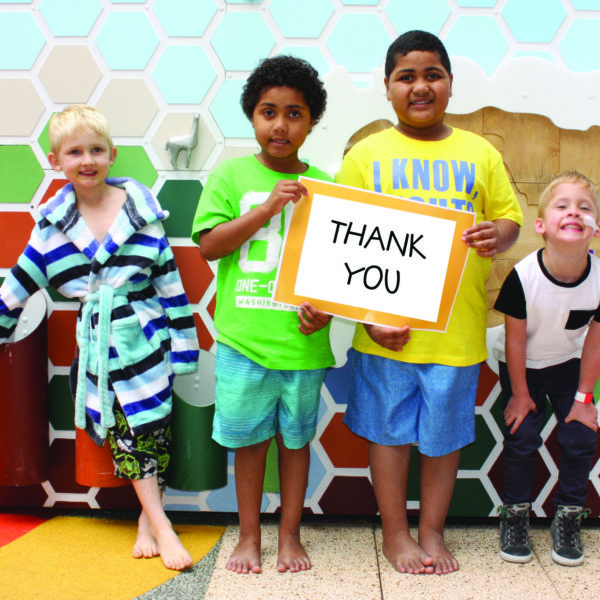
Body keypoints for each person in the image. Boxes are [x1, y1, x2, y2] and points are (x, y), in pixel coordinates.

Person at [335, 30, 523, 575]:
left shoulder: (480, 152)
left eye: (432, 74)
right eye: (406, 76)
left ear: (449, 84)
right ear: (388, 89)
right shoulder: (367, 156)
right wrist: (368, 320)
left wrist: (501, 235)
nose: (420, 86)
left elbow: (508, 218)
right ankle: (396, 533)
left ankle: (432, 531)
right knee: (389, 435)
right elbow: (340, 245)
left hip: (457, 332)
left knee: (442, 439)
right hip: (387, 332)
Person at [0, 105, 199, 571]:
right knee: (127, 437)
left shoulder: (141, 215)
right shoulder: (50, 231)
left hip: (146, 343)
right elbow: (16, 287)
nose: (86, 160)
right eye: (74, 152)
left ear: (111, 155)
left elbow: (171, 286)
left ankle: (151, 522)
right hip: (98, 352)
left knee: (153, 431)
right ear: (56, 160)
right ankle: (161, 524)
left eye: (95, 150)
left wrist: (183, 349)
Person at [191, 55, 334, 574]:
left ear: (312, 121)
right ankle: (249, 536)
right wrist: (267, 208)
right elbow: (208, 246)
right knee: (249, 445)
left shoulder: (326, 185)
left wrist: (327, 316)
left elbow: (336, 276)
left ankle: (290, 535)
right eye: (268, 111)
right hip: (242, 341)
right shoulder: (230, 175)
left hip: (300, 344)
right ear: (252, 117)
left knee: (295, 443)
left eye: (294, 113)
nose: (281, 124)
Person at [494, 171, 600, 567]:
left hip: (570, 363)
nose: (574, 211)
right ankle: (516, 514)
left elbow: (594, 339)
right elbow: (516, 340)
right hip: (523, 365)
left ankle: (568, 516)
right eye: (563, 205)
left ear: (594, 227)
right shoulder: (523, 277)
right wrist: (521, 394)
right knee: (522, 438)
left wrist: (584, 398)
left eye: (584, 207)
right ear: (541, 226)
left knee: (580, 437)